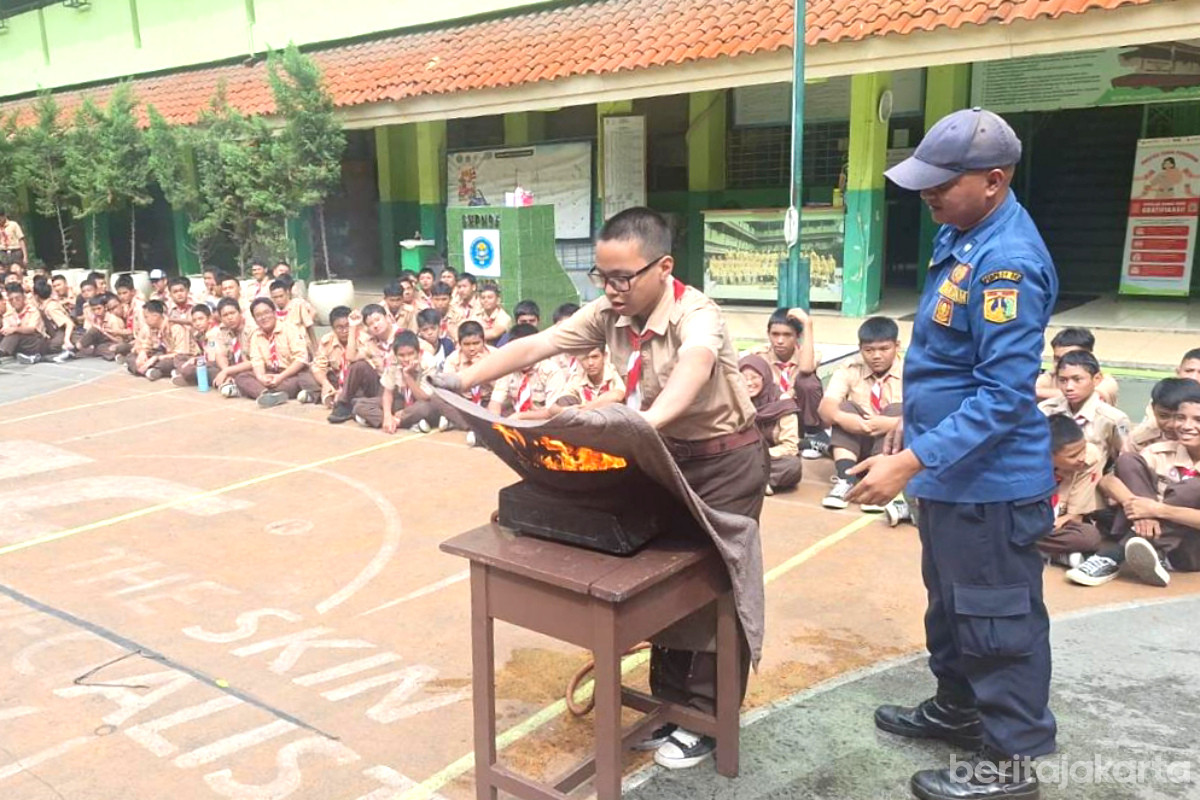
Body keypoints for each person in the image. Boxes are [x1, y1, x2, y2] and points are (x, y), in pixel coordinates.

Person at [435, 207, 766, 770]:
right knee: (660, 584)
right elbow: (535, 346)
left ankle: (709, 718)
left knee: (714, 587)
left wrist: (645, 427)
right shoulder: (609, 313)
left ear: (662, 267)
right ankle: (672, 706)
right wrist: (462, 381)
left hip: (721, 465)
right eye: (602, 277)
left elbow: (694, 368)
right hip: (663, 460)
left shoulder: (697, 314)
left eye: (622, 278)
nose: (611, 290)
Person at [852, 108, 1058, 799]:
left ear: (994, 181)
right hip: (950, 473)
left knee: (998, 618)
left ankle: (1008, 762)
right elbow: (947, 364)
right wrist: (912, 441)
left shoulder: (1008, 262)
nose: (928, 196)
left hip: (990, 486)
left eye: (943, 184)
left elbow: (1003, 397)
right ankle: (959, 709)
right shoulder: (962, 233)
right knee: (951, 607)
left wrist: (908, 463)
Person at [1067, 382, 1200, 588]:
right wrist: (1140, 509)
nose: (1186, 426)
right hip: (1146, 529)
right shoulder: (1162, 451)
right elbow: (1107, 480)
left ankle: (1114, 556)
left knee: (1193, 487)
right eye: (1180, 418)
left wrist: (1158, 510)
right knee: (1128, 461)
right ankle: (1151, 551)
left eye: (1197, 420)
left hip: (1191, 549)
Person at [818, 316, 904, 512]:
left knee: (898, 411)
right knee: (845, 407)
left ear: (897, 345)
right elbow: (825, 408)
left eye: (884, 349)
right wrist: (845, 419)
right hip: (859, 442)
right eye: (869, 350)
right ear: (860, 348)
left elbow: (923, 415)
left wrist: (890, 423)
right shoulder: (849, 370)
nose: (876, 356)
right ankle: (845, 479)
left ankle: (880, 481)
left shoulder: (911, 372)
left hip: (893, 447)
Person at [747, 307, 827, 458]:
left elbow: (806, 368)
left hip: (800, 417)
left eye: (787, 335)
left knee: (807, 381)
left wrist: (808, 324)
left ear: (798, 336)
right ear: (768, 334)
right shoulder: (758, 356)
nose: (780, 341)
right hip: (772, 418)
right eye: (775, 334)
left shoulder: (809, 354)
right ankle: (797, 443)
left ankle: (813, 435)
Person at [1037, 350, 1129, 467]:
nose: (1069, 387)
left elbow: (1124, 457)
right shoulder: (1046, 410)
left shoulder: (1114, 418)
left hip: (1090, 478)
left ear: (1096, 379)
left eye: (1077, 379)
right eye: (1063, 380)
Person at [1039, 414, 1104, 568]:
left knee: (1089, 536)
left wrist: (1058, 522)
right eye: (1073, 456)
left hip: (1056, 523)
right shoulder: (1028, 467)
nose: (1081, 457)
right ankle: (1053, 552)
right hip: (1029, 521)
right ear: (1048, 455)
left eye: (1082, 449)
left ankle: (1039, 551)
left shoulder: (1088, 458)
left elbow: (1074, 516)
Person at [235, 298, 320, 407]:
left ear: (275, 313)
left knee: (303, 379)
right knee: (242, 377)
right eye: (259, 315)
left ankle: (268, 393)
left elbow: (301, 359)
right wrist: (261, 377)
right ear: (255, 319)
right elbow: (257, 360)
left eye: (266, 313)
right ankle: (265, 394)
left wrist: (281, 377)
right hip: (272, 373)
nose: (264, 317)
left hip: (291, 373)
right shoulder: (256, 335)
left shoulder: (290, 329)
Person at [739, 354, 803, 495]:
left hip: (771, 458)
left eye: (754, 377)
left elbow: (791, 447)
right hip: (743, 456)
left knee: (792, 466)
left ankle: (754, 482)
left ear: (765, 377)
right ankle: (756, 482)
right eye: (744, 378)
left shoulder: (782, 403)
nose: (749, 383)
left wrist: (761, 454)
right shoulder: (736, 401)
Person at [353, 330, 439, 432]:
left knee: (425, 408)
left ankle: (395, 422)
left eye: (411, 354)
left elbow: (424, 397)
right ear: (396, 354)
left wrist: (407, 376)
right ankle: (401, 422)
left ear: (418, 351)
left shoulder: (428, 362)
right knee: (361, 406)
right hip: (401, 402)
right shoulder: (393, 361)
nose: (406, 359)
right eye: (401, 355)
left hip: (421, 403)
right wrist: (387, 415)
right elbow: (387, 393)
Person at [327, 304, 393, 423]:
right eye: (371, 324)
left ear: (387, 318)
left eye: (378, 320)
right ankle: (343, 403)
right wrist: (352, 327)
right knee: (359, 366)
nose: (376, 326)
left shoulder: (401, 337)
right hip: (380, 387)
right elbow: (351, 357)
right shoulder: (371, 343)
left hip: (398, 389)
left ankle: (394, 418)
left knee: (360, 405)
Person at [487, 323, 558, 418]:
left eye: (527, 351)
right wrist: (494, 418)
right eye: (518, 351)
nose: (523, 356)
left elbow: (552, 412)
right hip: (515, 417)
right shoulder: (507, 367)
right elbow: (495, 402)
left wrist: (521, 416)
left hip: (544, 423)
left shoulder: (551, 370)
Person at [1035, 327, 1119, 405]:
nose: (1061, 364)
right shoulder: (1052, 375)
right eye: (1057, 359)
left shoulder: (1106, 382)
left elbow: (1087, 397)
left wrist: (1037, 392)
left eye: (1069, 358)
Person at [1128, 377, 1191, 452]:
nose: (1171, 425)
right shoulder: (1139, 440)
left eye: (1180, 417)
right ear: (1153, 409)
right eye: (1163, 416)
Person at [208, 298, 255, 398]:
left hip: (251, 368)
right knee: (208, 367)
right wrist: (226, 372)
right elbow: (220, 354)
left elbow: (254, 362)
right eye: (225, 315)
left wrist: (226, 371)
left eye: (232, 313)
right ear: (220, 318)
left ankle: (237, 386)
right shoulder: (222, 331)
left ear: (240, 312)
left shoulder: (252, 330)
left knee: (245, 378)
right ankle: (229, 382)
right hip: (233, 367)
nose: (230, 318)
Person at [311, 306, 355, 408]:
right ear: (333, 328)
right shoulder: (327, 340)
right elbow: (319, 366)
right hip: (337, 379)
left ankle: (317, 396)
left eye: (347, 326)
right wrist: (325, 383)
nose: (344, 331)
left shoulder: (362, 338)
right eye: (339, 327)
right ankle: (331, 393)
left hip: (355, 382)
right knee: (308, 376)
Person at [125, 299, 175, 380]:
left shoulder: (174, 327)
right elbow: (141, 344)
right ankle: (151, 371)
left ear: (155, 316)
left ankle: (148, 369)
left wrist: (155, 359)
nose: (145, 320)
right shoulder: (148, 328)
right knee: (130, 357)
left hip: (169, 356)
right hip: (157, 353)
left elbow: (180, 353)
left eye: (146, 317)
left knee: (169, 363)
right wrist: (142, 352)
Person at [0, 283, 47, 364]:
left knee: (15, 334)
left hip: (36, 341)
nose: (14, 302)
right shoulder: (9, 314)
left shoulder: (32, 311)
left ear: (24, 298)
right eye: (11, 300)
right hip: (19, 343)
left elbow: (32, 329)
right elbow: (6, 329)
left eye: (17, 299)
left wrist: (15, 329)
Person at [269, 276, 317, 354]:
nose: (279, 300)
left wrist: (315, 348)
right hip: (282, 348)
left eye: (281, 296)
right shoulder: (271, 310)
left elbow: (309, 327)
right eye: (275, 297)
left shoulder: (298, 305)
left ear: (287, 293)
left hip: (301, 345)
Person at [74, 295, 126, 360]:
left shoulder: (113, 320)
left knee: (103, 347)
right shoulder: (94, 317)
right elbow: (88, 333)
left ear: (105, 307)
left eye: (99, 308)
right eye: (93, 310)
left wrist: (104, 332)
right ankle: (76, 349)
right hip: (100, 341)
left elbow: (119, 340)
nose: (96, 312)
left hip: (111, 341)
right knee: (81, 336)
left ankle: (75, 349)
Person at [32, 280, 74, 361]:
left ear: (36, 296)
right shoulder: (44, 306)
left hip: (62, 332)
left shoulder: (51, 308)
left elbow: (69, 323)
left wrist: (66, 339)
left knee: (51, 346)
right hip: (55, 333)